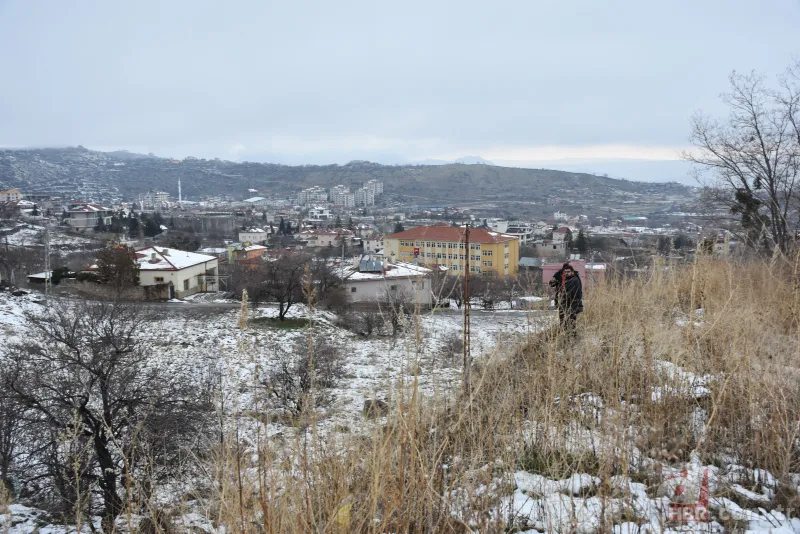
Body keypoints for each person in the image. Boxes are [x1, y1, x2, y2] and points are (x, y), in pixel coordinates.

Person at [549, 262, 583, 332]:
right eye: (565, 271)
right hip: (562, 299)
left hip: (571, 301)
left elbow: (578, 291)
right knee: (563, 319)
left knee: (570, 319)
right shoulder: (558, 275)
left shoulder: (575, 277)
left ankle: (569, 334)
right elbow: (551, 284)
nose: (566, 273)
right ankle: (565, 332)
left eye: (568, 271)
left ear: (572, 271)